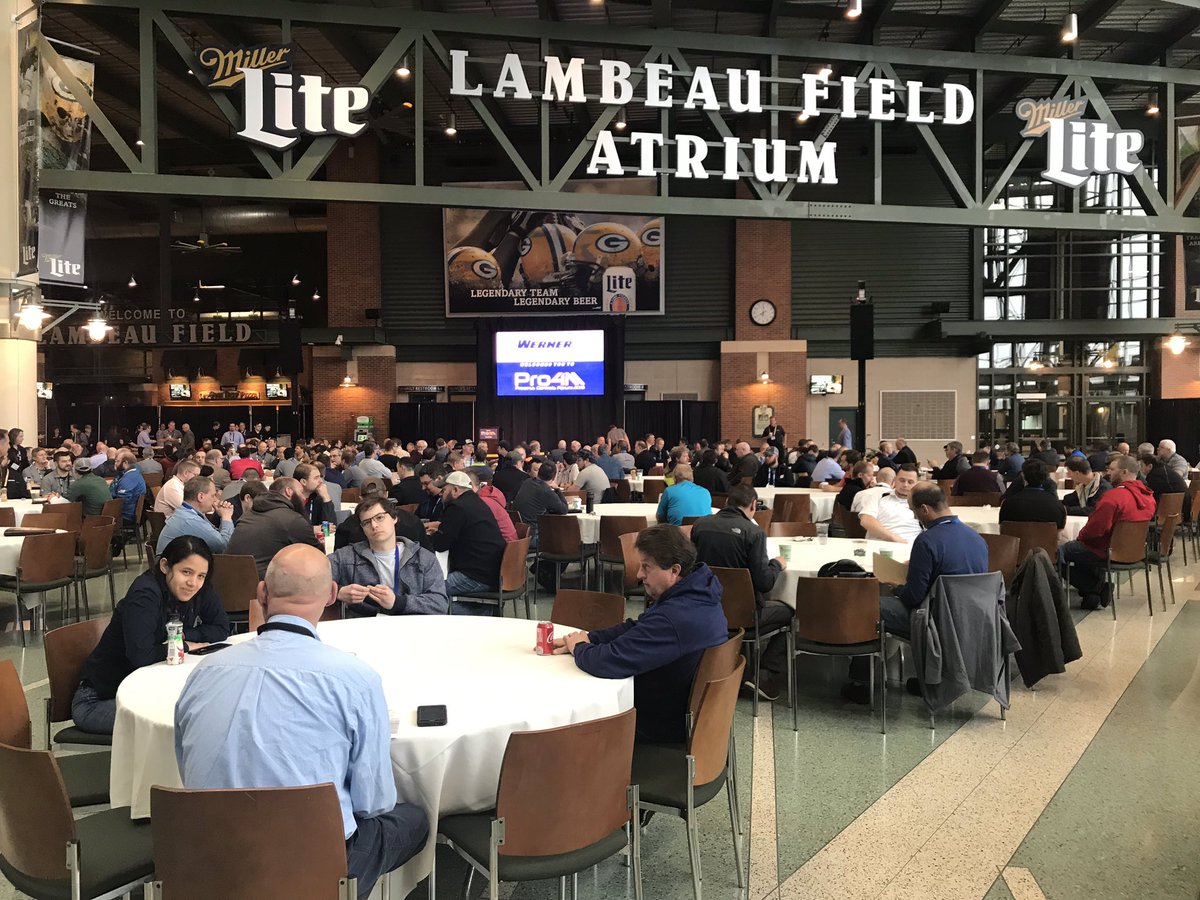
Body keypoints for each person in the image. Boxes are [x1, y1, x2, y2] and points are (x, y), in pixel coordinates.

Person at [174, 545, 427, 899]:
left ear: (262, 592)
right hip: (314, 868)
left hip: (212, 858)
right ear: (331, 596)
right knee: (414, 820)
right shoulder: (355, 678)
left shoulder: (204, 672)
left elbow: (188, 771)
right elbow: (373, 802)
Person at [555, 525, 728, 743]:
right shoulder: (697, 593)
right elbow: (639, 627)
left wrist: (579, 648)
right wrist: (591, 638)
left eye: (646, 567)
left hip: (654, 724)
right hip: (679, 708)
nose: (639, 575)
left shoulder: (675, 618)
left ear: (674, 570)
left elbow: (608, 661)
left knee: (567, 724)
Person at [843, 482, 988, 703]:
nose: (913, 517)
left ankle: (861, 682)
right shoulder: (976, 537)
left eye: (913, 511)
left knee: (868, 606)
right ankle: (930, 678)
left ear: (925, 510)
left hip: (935, 618)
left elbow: (914, 597)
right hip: (971, 617)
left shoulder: (927, 540)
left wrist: (896, 586)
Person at [72, 536, 230, 734]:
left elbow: (222, 628)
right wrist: (184, 645)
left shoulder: (199, 589)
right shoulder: (145, 594)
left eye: (201, 576)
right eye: (186, 572)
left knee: (208, 711)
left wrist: (180, 636)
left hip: (148, 692)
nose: (193, 583)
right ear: (165, 566)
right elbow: (141, 656)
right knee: (188, 721)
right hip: (98, 700)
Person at [691, 485, 791, 700]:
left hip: (704, 607)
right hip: (744, 615)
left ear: (727, 502)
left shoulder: (700, 525)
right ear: (753, 505)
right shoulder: (754, 533)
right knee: (790, 612)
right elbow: (764, 583)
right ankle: (764, 675)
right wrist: (776, 564)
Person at [1059, 454, 1156, 610]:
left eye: (1111, 469)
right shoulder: (1149, 497)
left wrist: (1080, 537)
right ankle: (1092, 595)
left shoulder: (1112, 497)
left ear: (1124, 472)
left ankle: (1095, 587)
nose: (1107, 473)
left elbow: (1094, 531)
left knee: (1059, 551)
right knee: (1081, 550)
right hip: (1136, 551)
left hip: (1107, 550)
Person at [329, 497, 448, 616]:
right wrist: (338, 591)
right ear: (362, 529)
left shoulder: (423, 558)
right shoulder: (346, 557)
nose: (374, 525)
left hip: (411, 627)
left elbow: (440, 604)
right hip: (364, 628)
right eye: (366, 522)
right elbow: (313, 583)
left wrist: (398, 602)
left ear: (394, 518)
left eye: (379, 517)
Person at [422, 470, 506, 613]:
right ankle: (484, 611)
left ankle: (479, 614)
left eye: (444, 489)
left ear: (455, 490)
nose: (441, 494)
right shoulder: (477, 502)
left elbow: (440, 544)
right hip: (493, 571)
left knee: (429, 587)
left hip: (476, 576)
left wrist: (421, 537)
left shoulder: (457, 508)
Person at [226, 477, 324, 578]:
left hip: (231, 582)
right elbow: (318, 555)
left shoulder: (249, 514)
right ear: (289, 491)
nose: (304, 497)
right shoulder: (291, 519)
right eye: (301, 492)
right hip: (264, 586)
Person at [155, 476, 235, 555]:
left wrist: (222, 516)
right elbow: (224, 546)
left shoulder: (188, 512)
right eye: (213, 495)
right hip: (171, 566)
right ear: (201, 496)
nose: (215, 500)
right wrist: (226, 517)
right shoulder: (189, 519)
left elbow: (217, 537)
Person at [513, 459, 568, 555]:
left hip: (519, 532)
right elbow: (564, 509)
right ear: (554, 476)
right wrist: (557, 489)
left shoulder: (527, 482)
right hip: (533, 537)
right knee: (565, 540)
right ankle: (544, 569)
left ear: (539, 472)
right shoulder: (546, 491)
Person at [857, 464, 922, 543]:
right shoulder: (879, 496)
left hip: (909, 550)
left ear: (917, 484)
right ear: (894, 480)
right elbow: (866, 520)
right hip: (878, 548)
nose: (905, 485)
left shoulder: (922, 505)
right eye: (902, 480)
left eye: (910, 482)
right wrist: (895, 539)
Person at [998, 459, 1066, 528]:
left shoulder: (1008, 504)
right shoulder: (1057, 506)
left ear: (1023, 477)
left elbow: (1002, 527)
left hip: (1017, 537)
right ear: (1046, 477)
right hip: (1046, 538)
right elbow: (1060, 530)